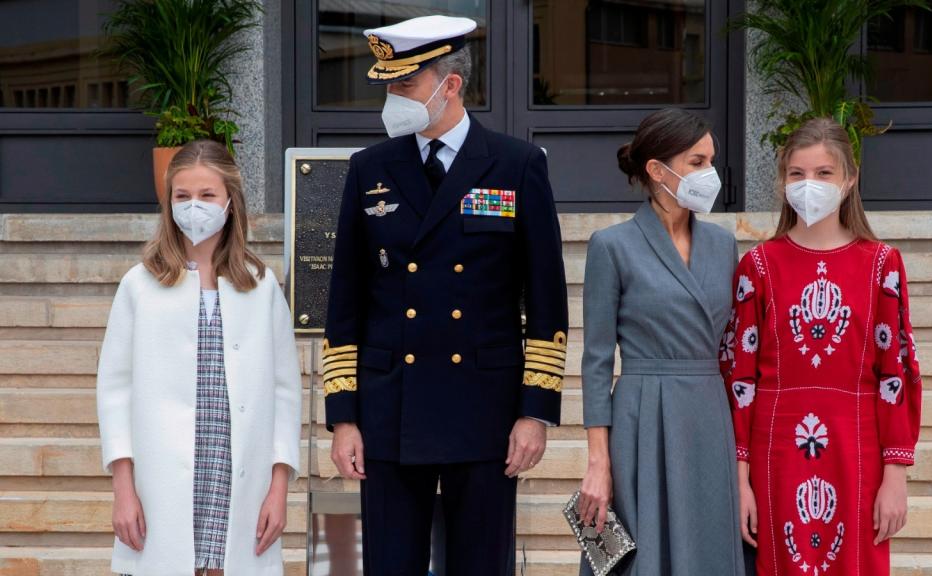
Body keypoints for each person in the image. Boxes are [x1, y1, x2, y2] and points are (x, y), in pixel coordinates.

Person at [322, 15, 569, 575]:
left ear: (450, 85)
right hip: (391, 408)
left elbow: (546, 300)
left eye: (405, 85)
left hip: (483, 408)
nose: (393, 100)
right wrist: (344, 418)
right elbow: (346, 301)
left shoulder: (516, 165)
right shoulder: (369, 168)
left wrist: (535, 411)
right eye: (389, 86)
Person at [722, 117, 922, 575]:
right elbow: (739, 379)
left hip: (858, 448)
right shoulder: (758, 266)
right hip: (776, 448)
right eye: (798, 173)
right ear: (783, 180)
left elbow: (896, 374)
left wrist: (895, 473)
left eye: (823, 173)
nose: (809, 183)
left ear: (849, 179)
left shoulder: (883, 265)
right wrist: (740, 480)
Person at [96, 140, 303, 576]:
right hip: (162, 476)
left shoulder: (260, 285)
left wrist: (279, 486)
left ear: (230, 201)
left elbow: (285, 391)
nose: (194, 206)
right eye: (183, 195)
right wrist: (124, 489)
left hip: (235, 471)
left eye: (207, 195)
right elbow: (115, 391)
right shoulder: (140, 285)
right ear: (168, 203)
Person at [577, 108, 746, 575]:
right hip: (642, 419)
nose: (710, 173)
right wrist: (598, 463)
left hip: (709, 416)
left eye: (711, 161)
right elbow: (596, 362)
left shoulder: (723, 244)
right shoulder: (612, 246)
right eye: (697, 162)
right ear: (657, 170)